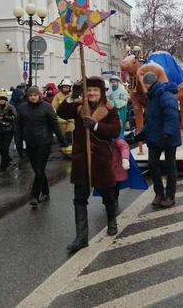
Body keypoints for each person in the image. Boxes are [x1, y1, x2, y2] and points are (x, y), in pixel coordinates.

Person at [57, 77, 121, 252]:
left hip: (101, 159)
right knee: (79, 197)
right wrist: (71, 96)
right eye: (89, 90)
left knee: (108, 195)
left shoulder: (109, 109)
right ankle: (81, 237)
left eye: (95, 90)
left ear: (101, 93)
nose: (92, 93)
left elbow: (115, 130)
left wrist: (95, 126)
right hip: (81, 159)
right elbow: (61, 112)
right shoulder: (78, 106)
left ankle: (111, 221)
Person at [134, 72, 181, 209]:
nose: (142, 86)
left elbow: (172, 116)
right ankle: (159, 194)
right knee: (153, 165)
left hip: (167, 138)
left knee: (170, 166)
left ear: (148, 83)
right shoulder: (152, 96)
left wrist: (167, 133)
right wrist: (141, 135)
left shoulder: (166, 95)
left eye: (143, 83)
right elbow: (152, 121)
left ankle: (170, 196)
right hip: (155, 138)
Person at [16, 86, 64, 207]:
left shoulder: (47, 107)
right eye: (31, 95)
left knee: (39, 169)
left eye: (35, 95)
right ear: (28, 96)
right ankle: (46, 192)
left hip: (44, 142)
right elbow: (19, 128)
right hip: (30, 142)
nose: (33, 97)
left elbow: (55, 124)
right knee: (38, 170)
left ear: (39, 95)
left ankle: (34, 195)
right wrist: (19, 145)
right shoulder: (22, 108)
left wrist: (62, 141)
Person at [0, 90, 17, 173]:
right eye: (0, 99)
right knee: (2, 149)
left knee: (6, 147)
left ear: (6, 100)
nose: (1, 101)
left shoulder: (10, 107)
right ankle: (7, 161)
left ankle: (3, 166)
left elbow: (15, 117)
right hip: (0, 131)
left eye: (3, 99)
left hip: (9, 130)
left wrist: (5, 117)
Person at [52, 79, 75, 157]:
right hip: (61, 121)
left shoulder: (72, 96)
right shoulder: (57, 96)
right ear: (61, 87)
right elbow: (54, 108)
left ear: (70, 88)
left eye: (67, 87)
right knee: (62, 137)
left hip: (71, 121)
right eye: (64, 87)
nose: (66, 89)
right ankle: (64, 152)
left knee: (70, 136)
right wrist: (58, 118)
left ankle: (70, 152)